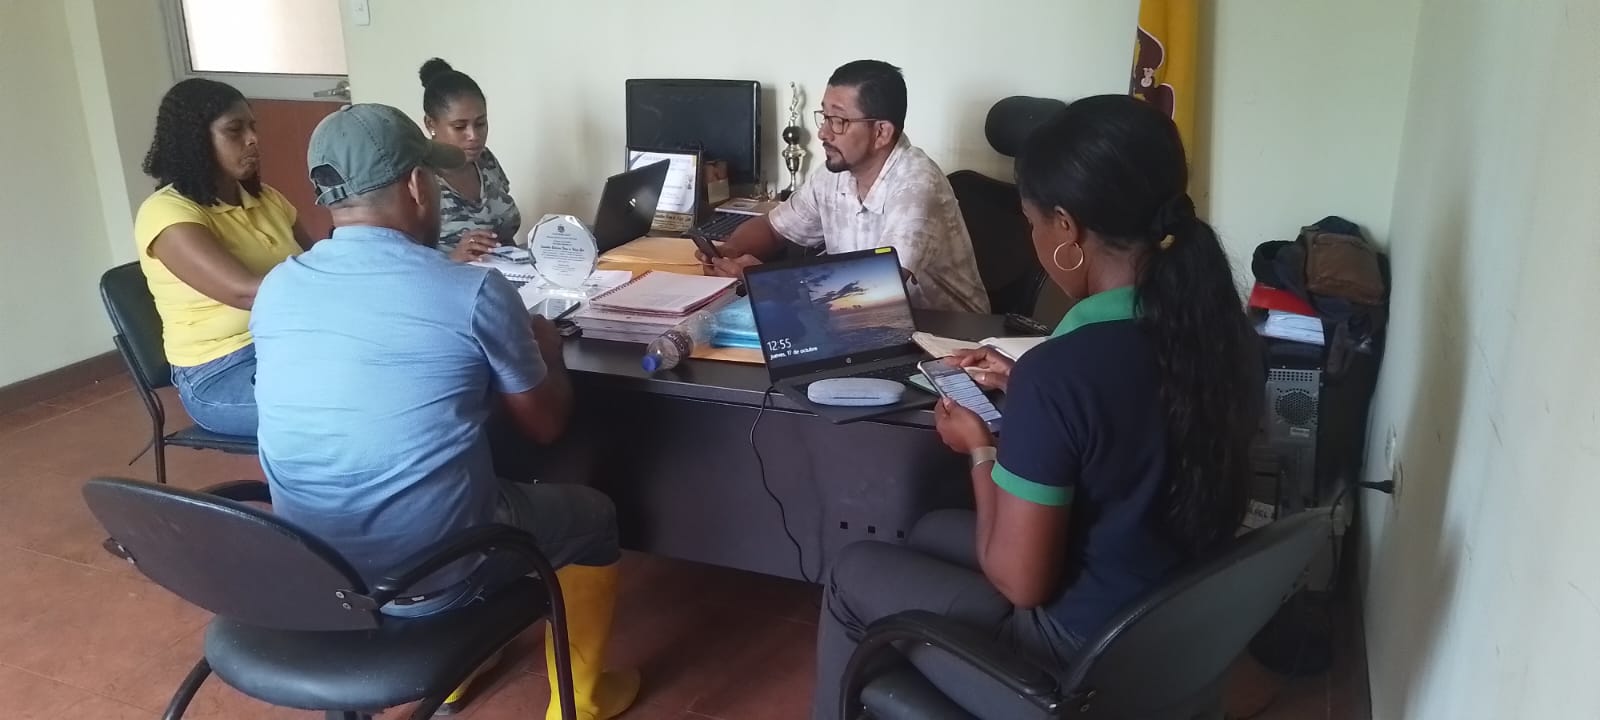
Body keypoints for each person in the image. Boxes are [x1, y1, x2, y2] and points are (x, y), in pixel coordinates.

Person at [811, 95, 1263, 718]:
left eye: (1032, 223)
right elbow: (1129, 418)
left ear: (1067, 229)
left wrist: (980, 449)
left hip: (1072, 668)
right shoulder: (1221, 336)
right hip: (1168, 627)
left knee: (853, 570)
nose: (1034, 240)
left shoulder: (1062, 375)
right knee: (930, 530)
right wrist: (1028, 386)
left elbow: (1021, 582)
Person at [250, 104, 638, 720]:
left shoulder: (277, 288)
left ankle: (457, 676)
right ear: (415, 185)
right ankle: (580, 703)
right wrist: (549, 354)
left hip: (318, 575)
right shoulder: (472, 291)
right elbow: (544, 426)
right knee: (594, 516)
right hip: (435, 577)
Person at [704, 60, 989, 314]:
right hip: (864, 324)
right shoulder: (834, 174)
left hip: (949, 336)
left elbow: (879, 289)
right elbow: (772, 229)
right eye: (824, 117)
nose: (822, 133)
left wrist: (768, 282)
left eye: (838, 121)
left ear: (881, 132)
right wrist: (729, 252)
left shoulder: (917, 185)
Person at [133, 78, 312, 437]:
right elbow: (246, 292)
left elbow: (315, 262)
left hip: (290, 342)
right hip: (220, 371)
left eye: (252, 127)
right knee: (341, 403)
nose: (253, 139)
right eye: (235, 130)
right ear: (196, 139)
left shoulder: (266, 198)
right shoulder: (165, 212)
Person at [419, 58, 521, 262]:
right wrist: (454, 259)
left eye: (481, 123)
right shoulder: (416, 178)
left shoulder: (485, 160)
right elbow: (403, 265)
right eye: (459, 127)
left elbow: (506, 237)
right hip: (448, 280)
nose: (473, 136)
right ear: (430, 124)